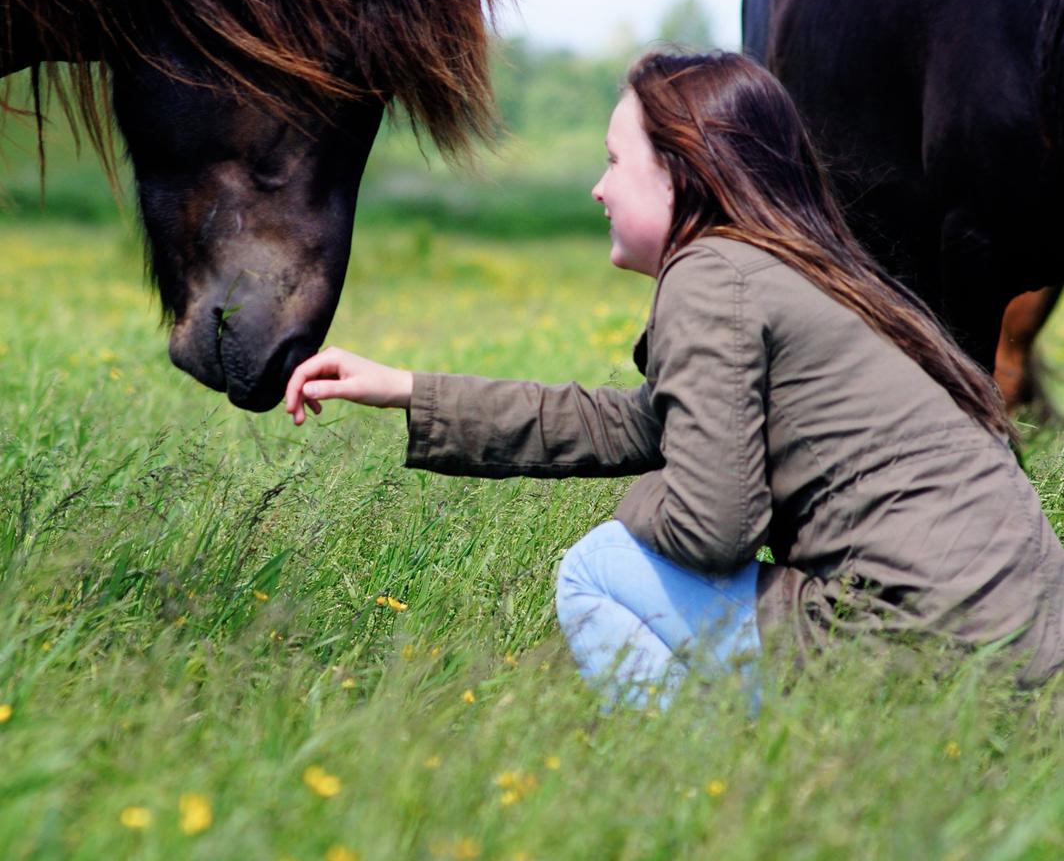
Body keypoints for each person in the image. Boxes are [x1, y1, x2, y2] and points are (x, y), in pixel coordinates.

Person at [285, 52, 1064, 704]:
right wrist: (406, 389)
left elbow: (712, 527)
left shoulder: (710, 275)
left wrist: (646, 499)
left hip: (919, 651)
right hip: (1028, 659)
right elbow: (633, 422)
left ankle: (698, 783)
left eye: (618, 161)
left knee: (599, 565)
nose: (598, 186)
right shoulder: (813, 269)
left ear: (682, 174)